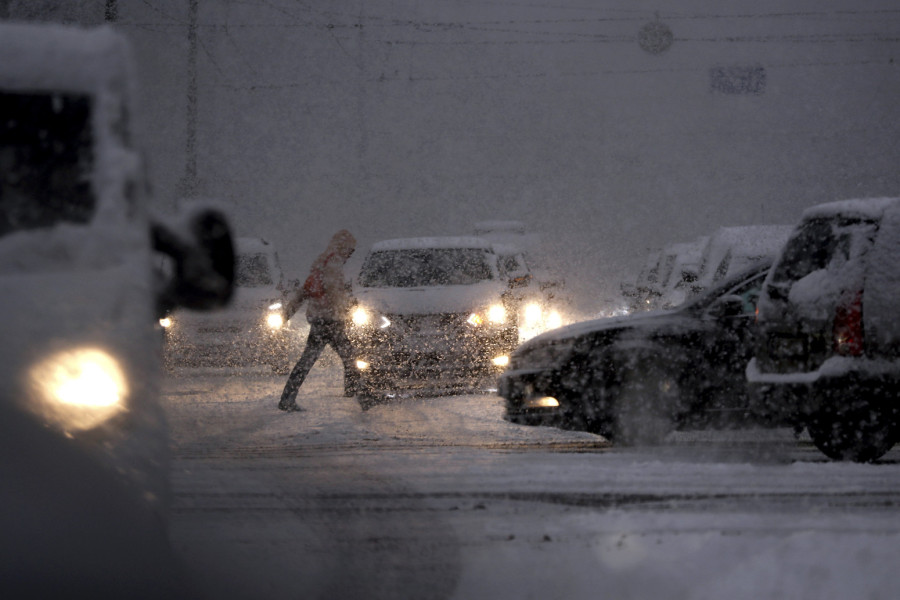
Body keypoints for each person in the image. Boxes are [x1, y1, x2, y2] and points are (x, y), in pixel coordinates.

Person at [278, 229, 360, 412]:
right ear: (344, 247)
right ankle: (361, 396)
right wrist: (347, 308)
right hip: (330, 320)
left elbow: (303, 293)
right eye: (350, 250)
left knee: (308, 360)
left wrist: (287, 313)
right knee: (349, 357)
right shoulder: (333, 264)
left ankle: (287, 398)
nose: (350, 255)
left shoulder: (320, 263)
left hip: (318, 320)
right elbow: (333, 293)